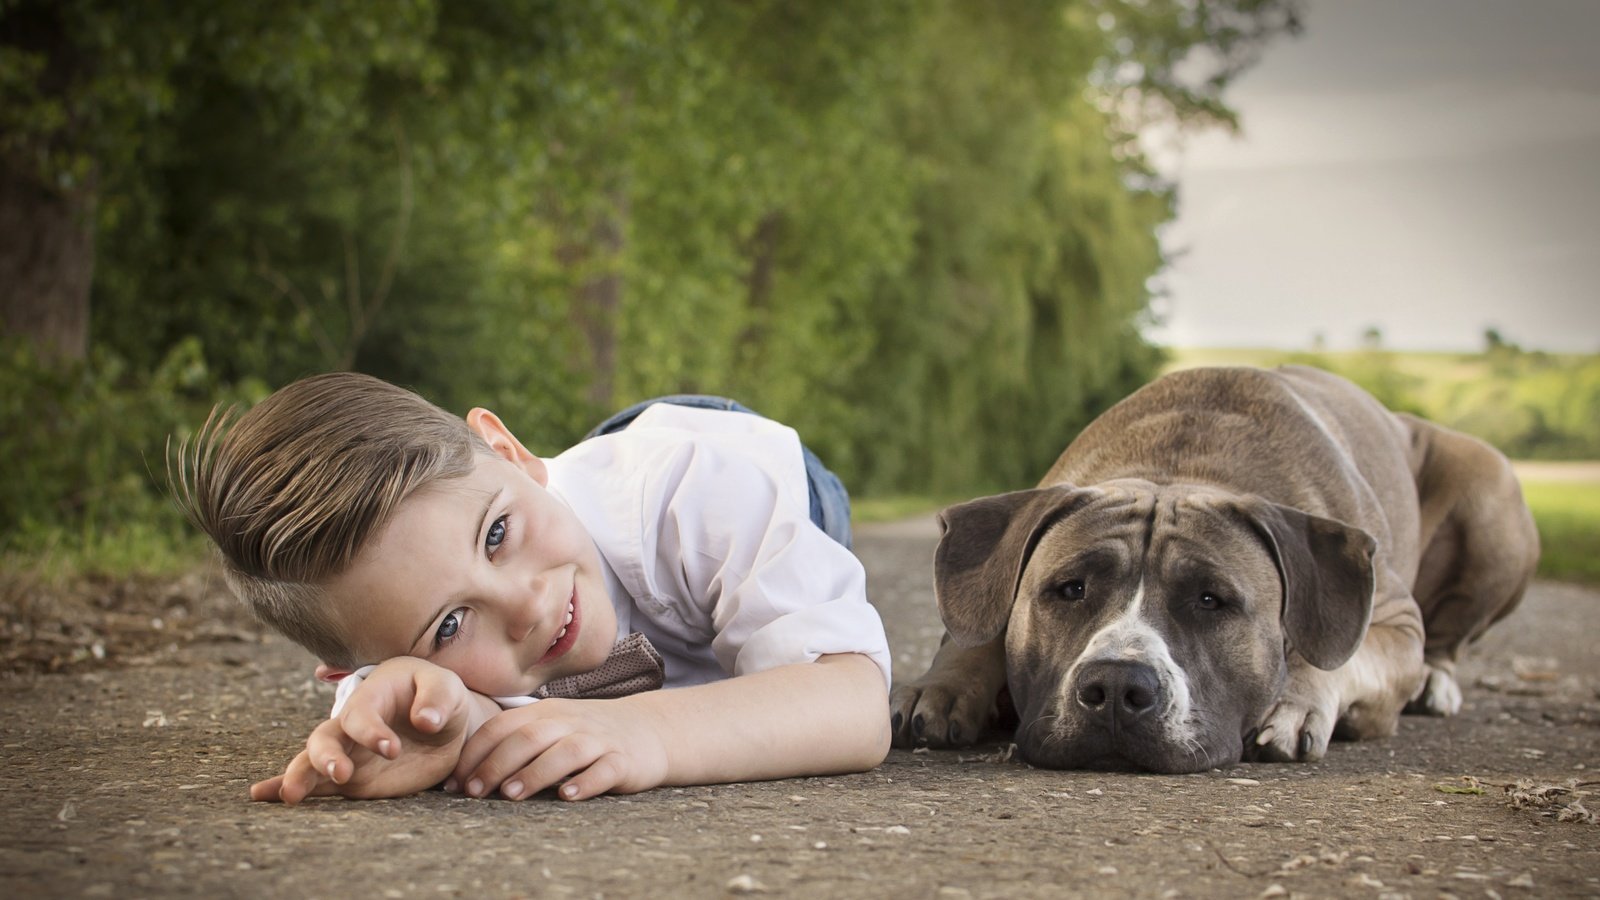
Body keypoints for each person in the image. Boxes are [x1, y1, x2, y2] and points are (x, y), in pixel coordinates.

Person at [172, 372, 891, 804]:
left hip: (735, 453)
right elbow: (397, 708)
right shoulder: (396, 670)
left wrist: (644, 734)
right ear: (351, 666)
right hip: (556, 503)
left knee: (786, 598)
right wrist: (453, 728)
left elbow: (851, 702)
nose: (524, 606)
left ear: (511, 452)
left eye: (495, 535)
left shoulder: (691, 497)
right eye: (450, 626)